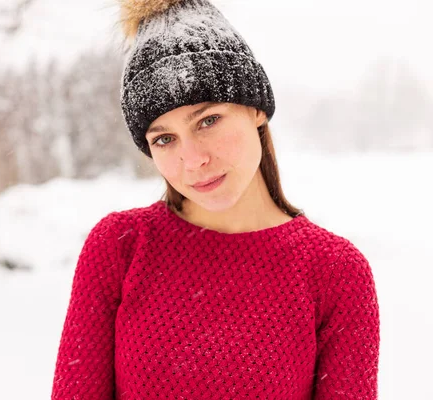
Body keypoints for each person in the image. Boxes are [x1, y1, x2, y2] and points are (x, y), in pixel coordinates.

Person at [51, 0, 380, 398]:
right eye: (164, 139)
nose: (193, 160)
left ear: (255, 108)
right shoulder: (120, 248)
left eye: (207, 120)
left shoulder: (336, 273)